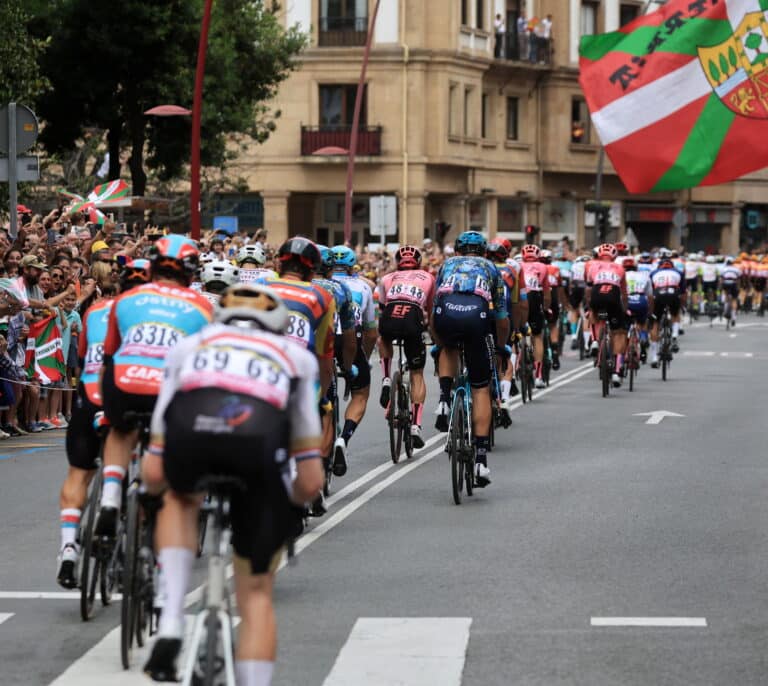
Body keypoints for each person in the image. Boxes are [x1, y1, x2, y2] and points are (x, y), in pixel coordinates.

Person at [142, 284, 324, 685]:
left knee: (178, 496)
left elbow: (154, 465)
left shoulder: (189, 346)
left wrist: (151, 500)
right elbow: (310, 477)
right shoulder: (296, 357)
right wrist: (290, 508)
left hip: (192, 438)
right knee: (256, 595)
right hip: (257, 454)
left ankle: (170, 620)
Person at [94, 235, 214, 538]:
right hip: (168, 389)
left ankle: (110, 497)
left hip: (124, 380)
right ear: (190, 271)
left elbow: (107, 357)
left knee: (120, 431)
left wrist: (105, 407)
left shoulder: (124, 299)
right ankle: (153, 492)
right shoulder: (202, 305)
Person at [55, 259, 150, 589]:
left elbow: (82, 362)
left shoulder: (95, 311)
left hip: (90, 396)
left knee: (78, 474)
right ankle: (128, 541)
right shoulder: (152, 317)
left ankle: (68, 549)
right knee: (142, 469)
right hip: (125, 396)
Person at [432, 231, 509, 487]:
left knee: (448, 348)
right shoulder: (492, 268)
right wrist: (500, 346)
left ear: (458, 250)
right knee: (480, 389)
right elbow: (501, 316)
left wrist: (439, 342)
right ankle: (481, 461)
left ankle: (443, 399)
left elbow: (433, 307)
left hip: (446, 312)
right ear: (484, 251)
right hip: (476, 317)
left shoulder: (446, 265)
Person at [377, 246, 436, 448]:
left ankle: (386, 378)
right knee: (417, 373)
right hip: (413, 316)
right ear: (418, 262)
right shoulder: (428, 277)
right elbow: (430, 309)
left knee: (383, 337)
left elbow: (382, 308)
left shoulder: (387, 278)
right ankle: (415, 426)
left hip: (392, 313)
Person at [330, 245, 377, 475]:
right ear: (352, 266)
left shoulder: (318, 285)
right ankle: (343, 439)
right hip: (351, 339)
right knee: (361, 393)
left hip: (324, 338)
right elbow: (371, 332)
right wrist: (364, 359)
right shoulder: (362, 286)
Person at [586, 243, 628, 387]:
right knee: (619, 333)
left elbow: (588, 288)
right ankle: (616, 372)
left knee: (594, 314)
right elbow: (624, 293)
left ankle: (595, 340)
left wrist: (589, 306)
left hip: (598, 296)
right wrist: (624, 310)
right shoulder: (620, 268)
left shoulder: (592, 266)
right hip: (613, 298)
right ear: (614, 256)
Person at [520, 244, 551, 388]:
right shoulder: (543, 267)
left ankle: (515, 369)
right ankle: (538, 375)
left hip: (520, 298)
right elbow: (546, 292)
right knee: (538, 335)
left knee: (516, 333)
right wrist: (545, 308)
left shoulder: (517, 265)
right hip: (535, 297)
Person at [623, 257, 653, 360]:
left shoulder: (621, 275)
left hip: (627, 300)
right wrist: (650, 312)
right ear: (636, 267)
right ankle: (644, 337)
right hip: (641, 299)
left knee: (623, 325)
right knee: (642, 321)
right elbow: (650, 296)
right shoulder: (644, 275)